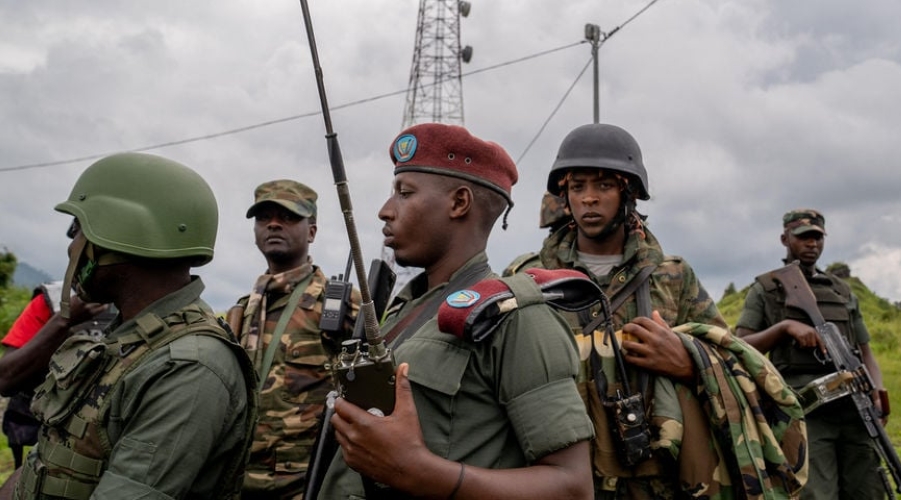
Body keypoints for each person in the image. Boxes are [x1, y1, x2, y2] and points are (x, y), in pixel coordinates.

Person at [506, 123, 807, 499]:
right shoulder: (529, 277)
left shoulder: (673, 276)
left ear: (628, 192)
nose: (589, 199)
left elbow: (728, 361)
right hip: (556, 473)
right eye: (577, 186)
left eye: (604, 185)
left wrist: (687, 361)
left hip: (653, 477)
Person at [319, 122, 594, 499]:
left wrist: (419, 471)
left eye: (404, 193)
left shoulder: (517, 318)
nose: (385, 210)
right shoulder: (402, 311)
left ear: (459, 202)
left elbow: (573, 487)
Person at [10, 152, 257, 500]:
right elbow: (48, 461)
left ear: (119, 234)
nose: (70, 248)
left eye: (80, 231)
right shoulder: (129, 340)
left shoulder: (188, 366)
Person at [735, 209, 888, 500]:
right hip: (806, 412)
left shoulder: (841, 291)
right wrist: (784, 328)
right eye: (803, 237)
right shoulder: (766, 289)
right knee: (816, 493)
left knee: (868, 489)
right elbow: (740, 344)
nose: (812, 244)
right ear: (785, 239)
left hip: (854, 409)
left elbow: (865, 351)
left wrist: (877, 392)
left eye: (817, 238)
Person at [227, 179, 358, 500]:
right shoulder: (244, 308)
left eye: (288, 217)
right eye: (264, 218)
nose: (273, 224)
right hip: (238, 479)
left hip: (304, 482)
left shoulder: (339, 303)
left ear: (311, 232)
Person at [0, 281, 112, 468]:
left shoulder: (146, 300)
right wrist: (62, 320)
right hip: (38, 439)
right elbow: (5, 378)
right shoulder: (53, 298)